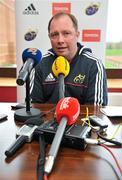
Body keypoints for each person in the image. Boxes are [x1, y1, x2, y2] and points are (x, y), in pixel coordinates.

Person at [31, 12, 108, 106]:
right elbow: (34, 107)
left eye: (66, 33)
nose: (60, 40)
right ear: (49, 37)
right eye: (54, 34)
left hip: (82, 121)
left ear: (77, 35)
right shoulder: (40, 64)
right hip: (47, 120)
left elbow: (96, 111)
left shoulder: (94, 65)